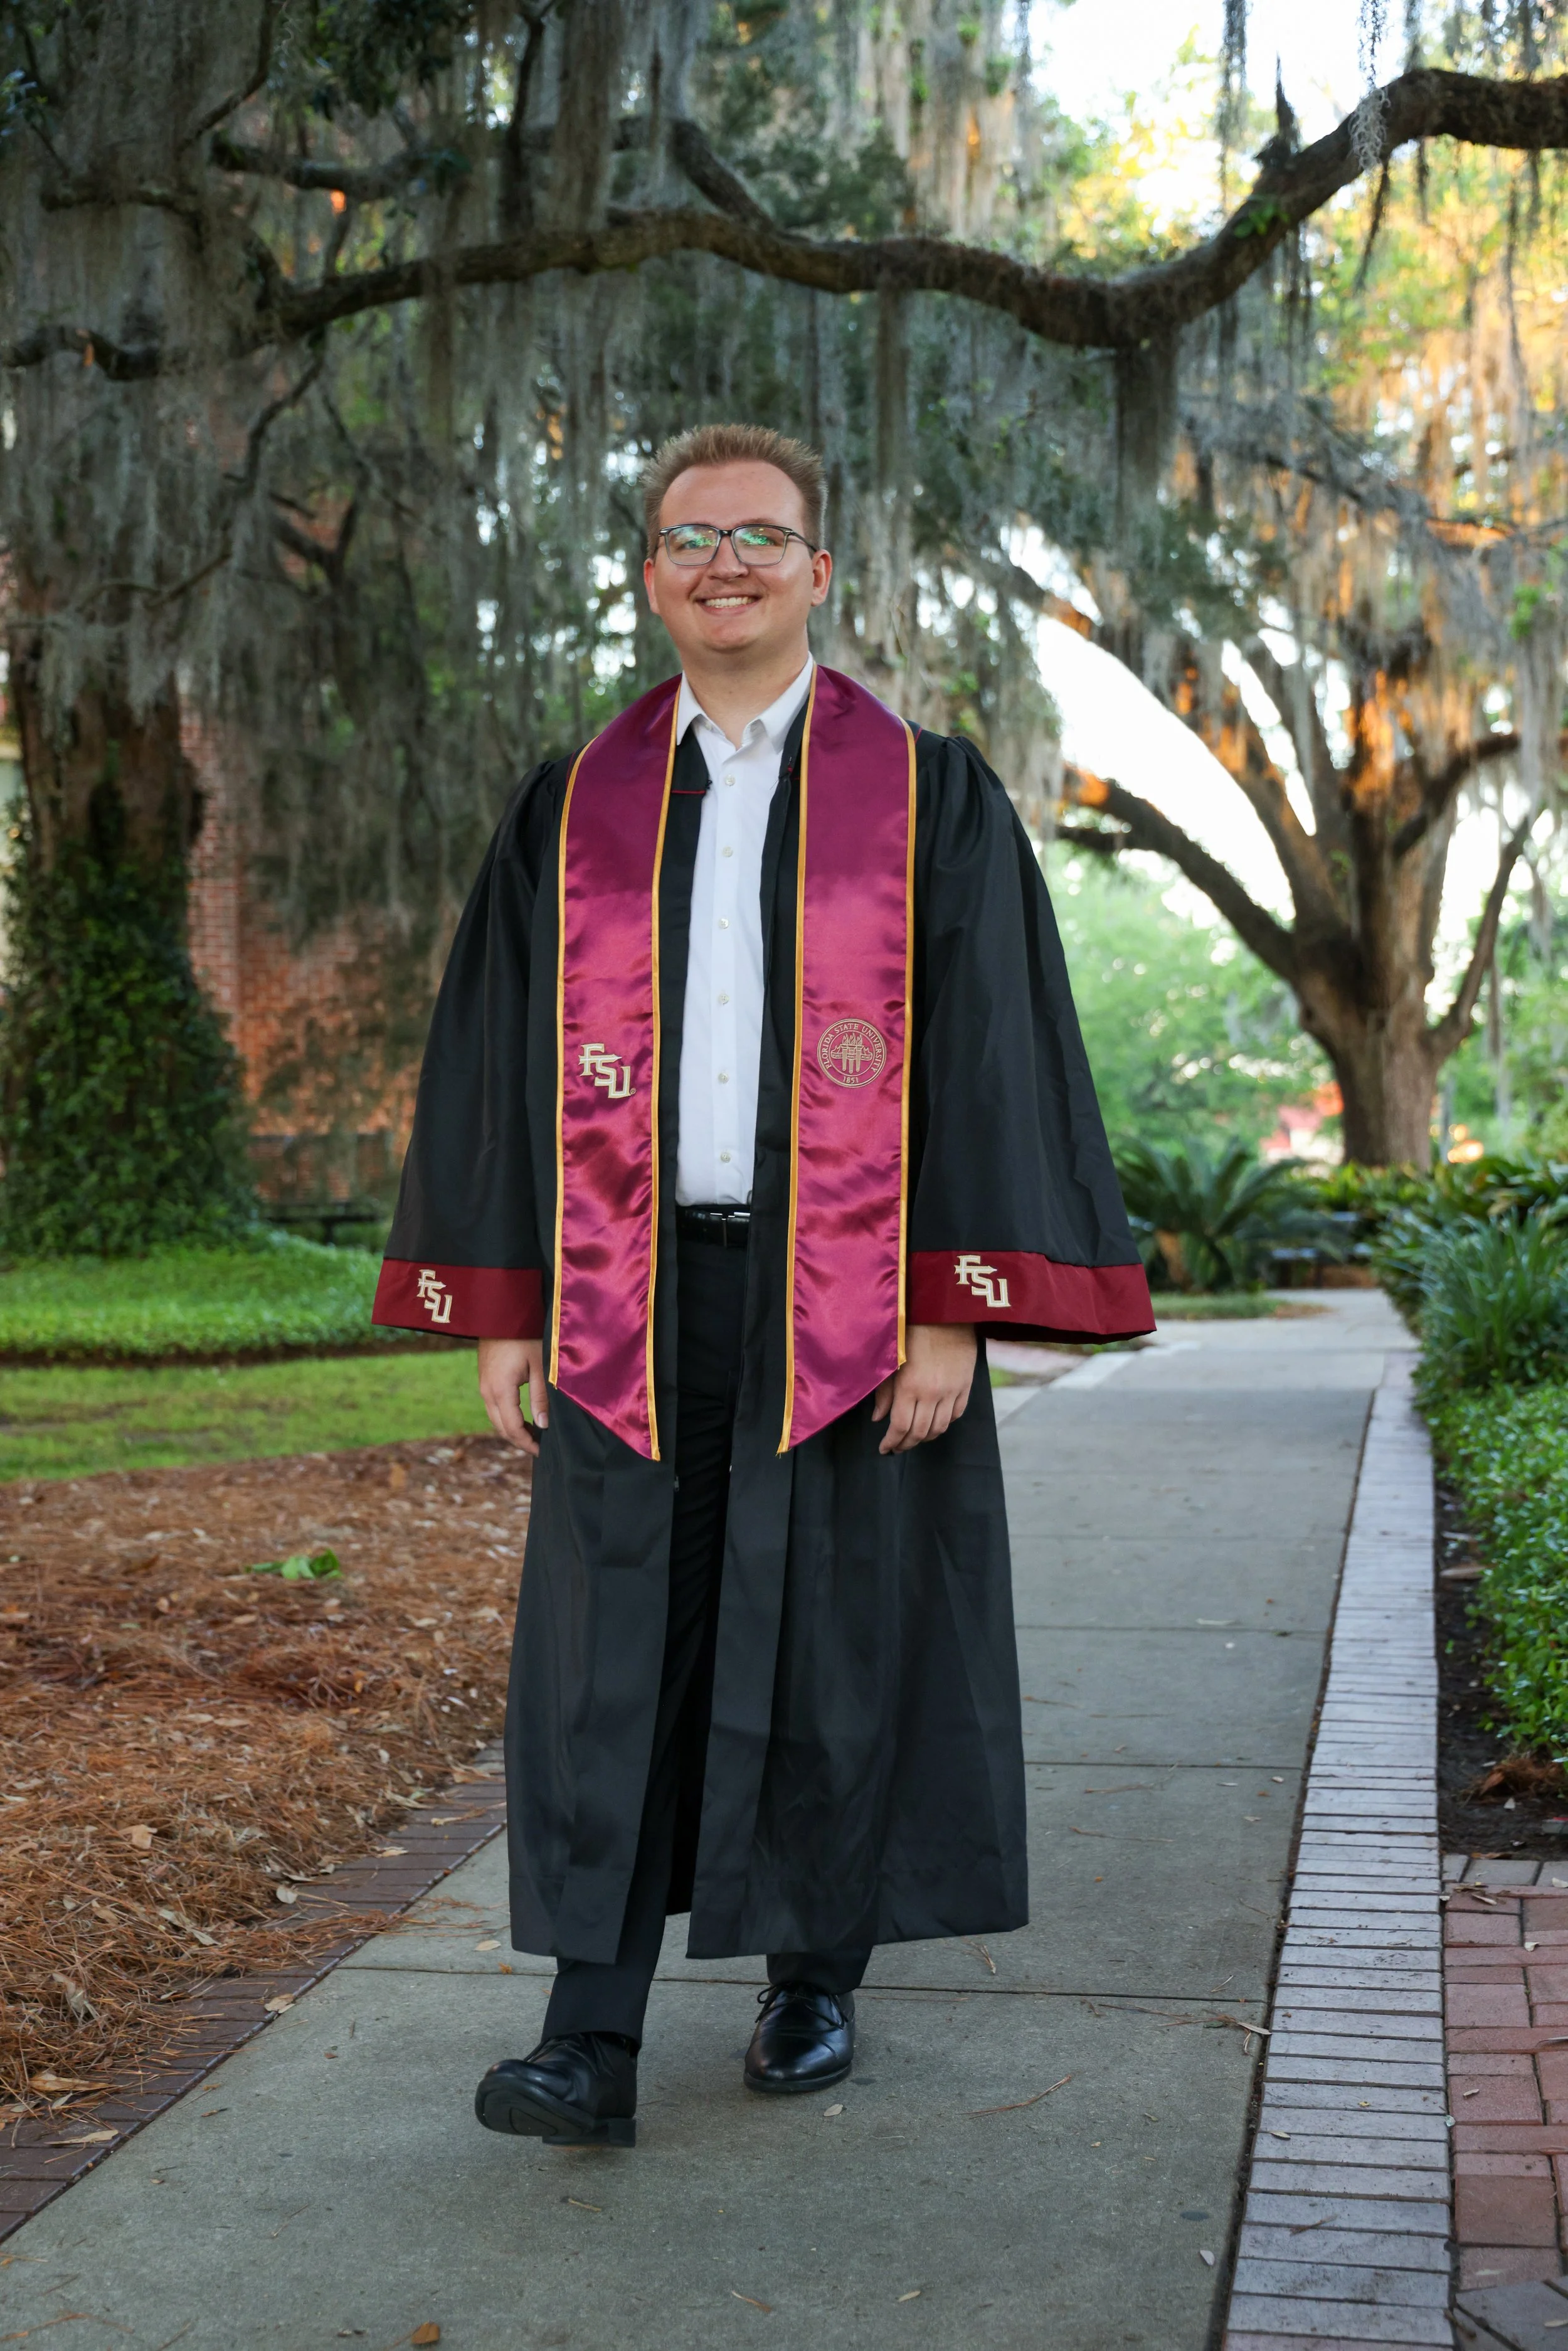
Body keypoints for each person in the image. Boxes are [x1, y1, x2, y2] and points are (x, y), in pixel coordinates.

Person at [373, 422, 1152, 2150]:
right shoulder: (574, 803)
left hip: (854, 1300)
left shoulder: (927, 792)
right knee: (605, 1657)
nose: (722, 563)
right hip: (627, 1289)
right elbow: (492, 1050)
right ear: (651, 578)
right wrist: (502, 1298)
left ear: (819, 570)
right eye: (687, 538)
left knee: (840, 1639)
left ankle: (814, 1977)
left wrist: (950, 1301)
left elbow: (992, 1050)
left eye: (758, 536)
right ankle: (588, 2033)